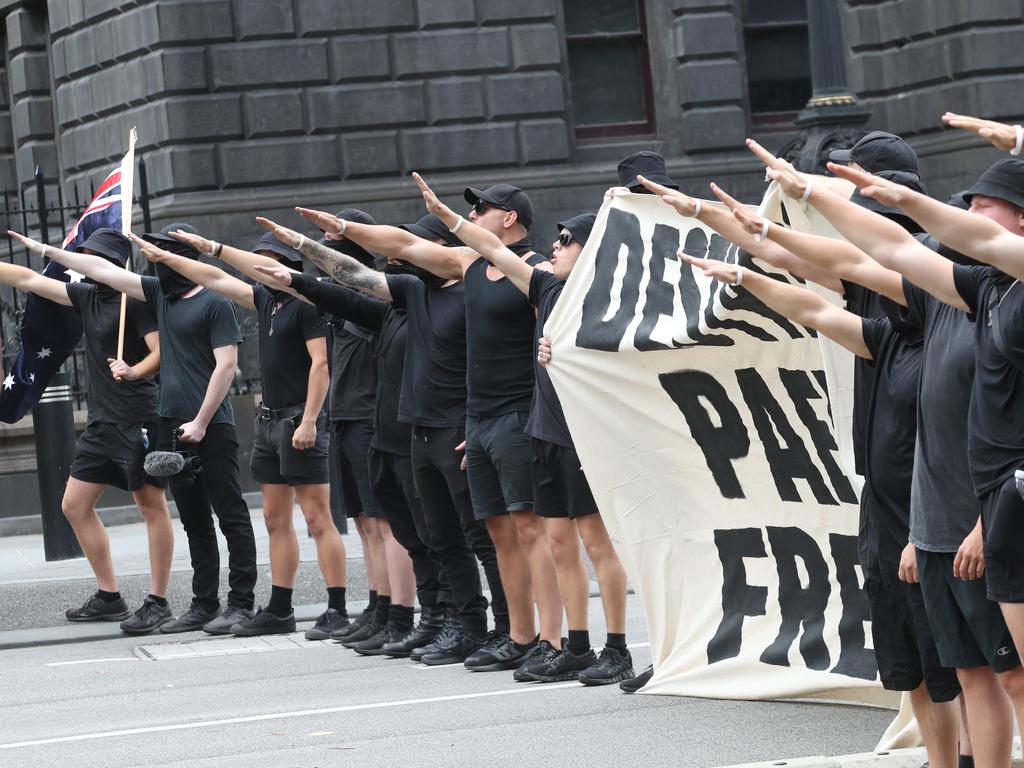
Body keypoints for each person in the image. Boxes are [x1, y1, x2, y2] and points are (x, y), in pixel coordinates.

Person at [659, 179, 963, 768]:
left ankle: (976, 757)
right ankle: (940, 761)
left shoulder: (951, 334)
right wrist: (714, 230)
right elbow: (804, 286)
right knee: (909, 665)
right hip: (882, 509)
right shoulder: (888, 333)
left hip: (933, 512)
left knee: (956, 663)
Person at [740, 150, 1024, 768]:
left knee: (1016, 678)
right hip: (934, 522)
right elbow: (858, 265)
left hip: (996, 514)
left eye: (983, 203)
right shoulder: (958, 298)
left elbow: (893, 245)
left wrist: (835, 193)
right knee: (965, 671)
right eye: (966, 200)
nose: (968, 213)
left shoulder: (990, 301)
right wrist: (748, 239)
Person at [256, 212, 507, 666]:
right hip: (415, 432)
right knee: (437, 537)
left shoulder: (470, 294)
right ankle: (457, 624)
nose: (399, 257)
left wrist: (476, 423)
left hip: (456, 431)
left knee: (480, 537)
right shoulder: (410, 296)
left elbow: (489, 363)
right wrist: (298, 276)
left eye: (411, 247)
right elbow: (350, 290)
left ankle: (506, 630)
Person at [412, 173, 635, 686]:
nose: (554, 247)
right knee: (559, 541)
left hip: (583, 432)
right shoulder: (544, 284)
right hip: (544, 429)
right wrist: (447, 217)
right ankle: (575, 646)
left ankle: (617, 647)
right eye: (554, 239)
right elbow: (493, 248)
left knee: (597, 542)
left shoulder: (602, 297)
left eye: (567, 240)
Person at [10, 224, 259, 635]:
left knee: (228, 514)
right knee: (195, 519)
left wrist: (195, 418)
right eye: (153, 253)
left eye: (163, 253)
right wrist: (43, 248)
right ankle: (202, 603)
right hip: (165, 423)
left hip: (200, 424)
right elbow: (83, 272)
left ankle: (239, 603)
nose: (156, 260)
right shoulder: (158, 295)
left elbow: (226, 366)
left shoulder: (209, 302)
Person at [131, 229, 350, 637]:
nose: (259, 266)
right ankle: (280, 608)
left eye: (270, 259)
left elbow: (321, 366)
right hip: (269, 420)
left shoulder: (308, 303)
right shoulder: (265, 301)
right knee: (272, 518)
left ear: (290, 264)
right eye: (256, 260)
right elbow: (215, 276)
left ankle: (336, 608)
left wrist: (309, 420)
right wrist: (196, 251)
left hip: (298, 420)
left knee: (318, 518)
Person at [0, 229, 174, 633]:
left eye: (95, 255)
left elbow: (161, 353)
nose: (87, 261)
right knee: (74, 506)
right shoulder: (87, 296)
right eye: (85, 254)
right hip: (100, 422)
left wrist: (134, 371)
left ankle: (159, 601)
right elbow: (29, 280)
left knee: (151, 507)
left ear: (115, 262)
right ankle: (109, 597)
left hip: (137, 417)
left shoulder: (139, 300)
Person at [315, 211, 391, 644]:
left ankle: (390, 611)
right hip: (342, 415)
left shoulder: (371, 296)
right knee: (362, 520)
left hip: (367, 416)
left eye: (334, 242)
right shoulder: (336, 297)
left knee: (380, 522)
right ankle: (377, 602)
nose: (327, 250)